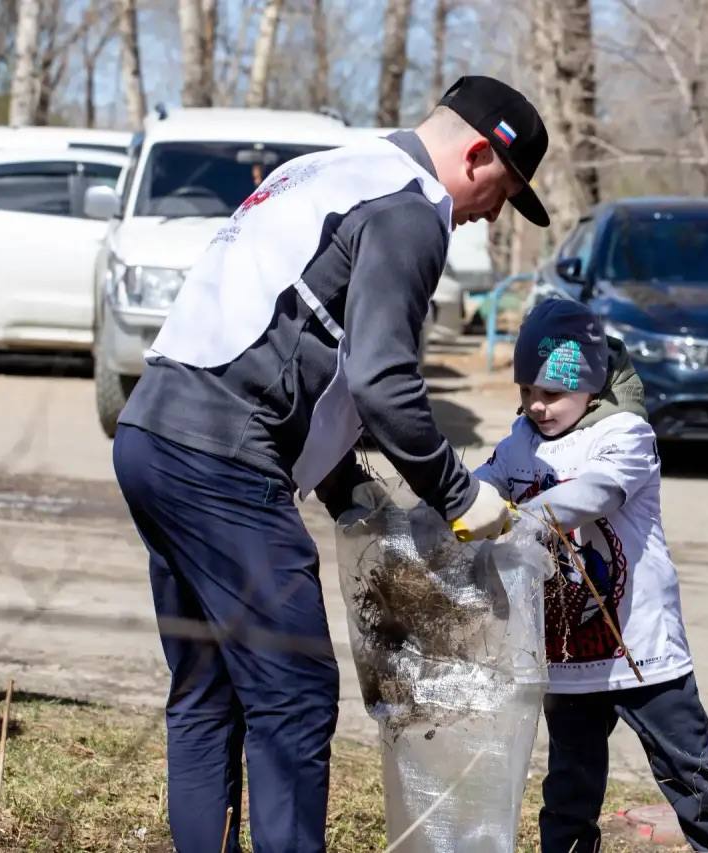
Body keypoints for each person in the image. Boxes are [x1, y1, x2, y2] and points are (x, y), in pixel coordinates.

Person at [111, 76, 550, 853]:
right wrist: (458, 493)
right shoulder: (411, 210)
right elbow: (384, 381)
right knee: (294, 693)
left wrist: (352, 489)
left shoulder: (323, 172)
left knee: (208, 691)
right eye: (503, 192)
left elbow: (294, 340)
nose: (490, 213)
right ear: (478, 155)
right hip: (223, 464)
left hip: (152, 435)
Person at [474, 299, 708, 852]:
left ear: (591, 385)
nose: (538, 407)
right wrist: (442, 502)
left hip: (642, 651)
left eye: (551, 395)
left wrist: (517, 516)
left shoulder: (626, 434)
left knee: (688, 769)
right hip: (568, 656)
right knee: (569, 784)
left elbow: (594, 493)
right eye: (527, 392)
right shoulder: (521, 439)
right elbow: (484, 482)